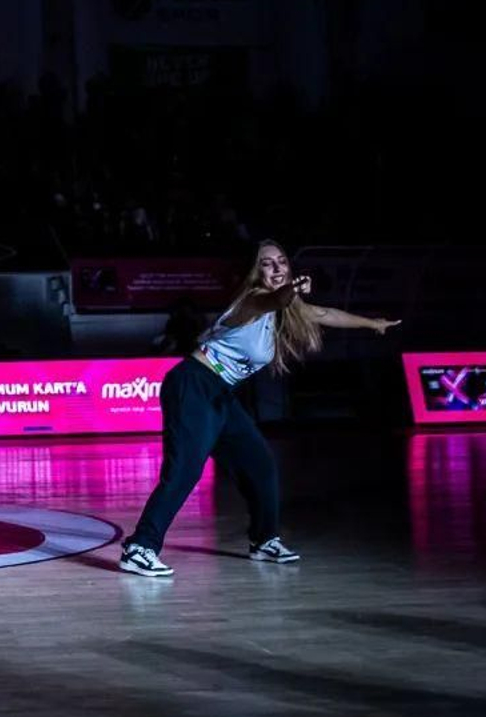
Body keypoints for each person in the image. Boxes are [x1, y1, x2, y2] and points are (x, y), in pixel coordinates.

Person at [120, 240, 402, 577]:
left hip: (221, 395)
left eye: (282, 261)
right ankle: (140, 547)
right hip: (193, 385)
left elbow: (325, 314)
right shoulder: (252, 301)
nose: (278, 267)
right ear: (257, 272)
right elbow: (275, 298)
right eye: (268, 264)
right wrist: (291, 290)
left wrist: (372, 324)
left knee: (261, 466)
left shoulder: (287, 306)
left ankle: (264, 540)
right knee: (184, 472)